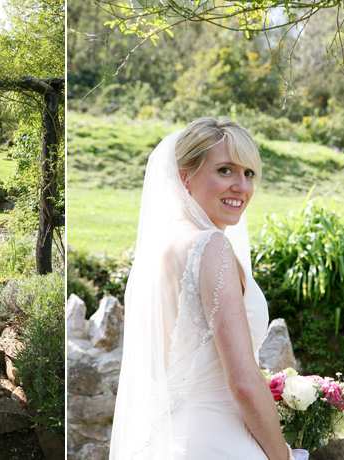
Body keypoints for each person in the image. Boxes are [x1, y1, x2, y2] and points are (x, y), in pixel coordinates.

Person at [109, 118, 293, 459]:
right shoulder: (211, 246)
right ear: (185, 177)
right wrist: (282, 456)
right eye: (225, 170)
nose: (241, 186)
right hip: (217, 440)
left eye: (249, 173)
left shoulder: (164, 246)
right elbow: (241, 381)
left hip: (172, 436)